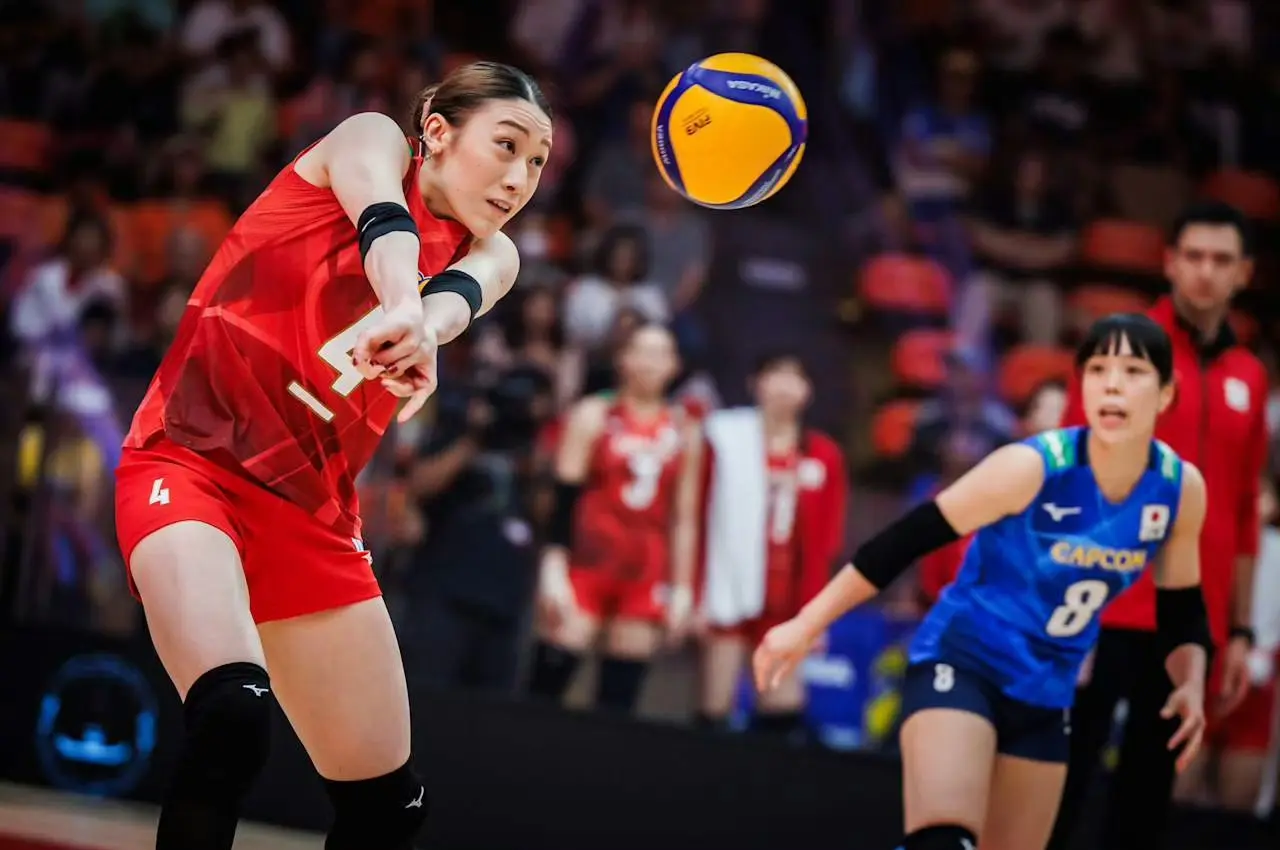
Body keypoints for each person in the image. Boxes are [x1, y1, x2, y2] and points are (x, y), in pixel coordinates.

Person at [112, 61, 553, 850]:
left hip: (311, 519)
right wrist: (401, 304)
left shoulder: (498, 255)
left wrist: (424, 327)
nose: (520, 177)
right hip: (189, 466)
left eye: (539, 162)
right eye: (507, 145)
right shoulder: (368, 140)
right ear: (438, 132)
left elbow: (456, 302)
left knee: (390, 810)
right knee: (232, 715)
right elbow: (385, 221)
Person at [754, 314, 1212, 850]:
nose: (1112, 384)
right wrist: (806, 624)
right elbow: (903, 541)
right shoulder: (1032, 467)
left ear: (1165, 394)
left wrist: (1191, 681)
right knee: (944, 840)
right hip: (964, 663)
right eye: (1097, 370)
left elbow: (1182, 605)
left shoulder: (1179, 489)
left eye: (1133, 371)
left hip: (1047, 694)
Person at [1049, 201, 1269, 850]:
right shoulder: (1121, 349)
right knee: (1059, 781)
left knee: (1146, 799)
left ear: (1244, 273)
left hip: (1189, 622)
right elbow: (1068, 473)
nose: (1205, 271)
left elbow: (1244, 510)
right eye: (1193, 256)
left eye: (1221, 260)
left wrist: (1239, 629)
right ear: (1169, 263)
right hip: (1101, 604)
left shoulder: (1250, 377)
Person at [527, 323, 700, 714]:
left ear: (675, 365)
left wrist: (683, 589)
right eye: (642, 351)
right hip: (587, 563)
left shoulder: (684, 429)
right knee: (550, 677)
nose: (650, 362)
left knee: (620, 699)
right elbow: (564, 499)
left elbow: (685, 518)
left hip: (645, 570)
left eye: (661, 353)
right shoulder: (594, 414)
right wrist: (553, 567)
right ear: (624, 359)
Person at [695, 352, 846, 741]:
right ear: (755, 383)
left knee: (781, 710)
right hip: (728, 587)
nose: (784, 387)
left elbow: (825, 544)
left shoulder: (823, 455)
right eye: (775, 375)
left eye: (795, 378)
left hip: (786, 598)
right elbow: (697, 518)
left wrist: (815, 616)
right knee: (715, 707)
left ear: (808, 390)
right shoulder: (726, 441)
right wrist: (693, 592)